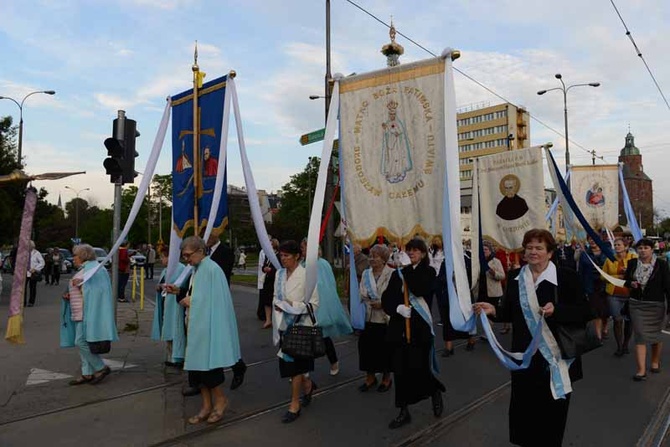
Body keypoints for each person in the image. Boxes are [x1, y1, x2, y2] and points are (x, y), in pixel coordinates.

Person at [475, 229, 592, 447]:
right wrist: (494, 310)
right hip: (526, 358)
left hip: (555, 359)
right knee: (524, 412)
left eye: (539, 248)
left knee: (552, 416)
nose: (533, 252)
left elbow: (586, 311)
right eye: (529, 247)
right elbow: (509, 313)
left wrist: (557, 311)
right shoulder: (515, 277)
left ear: (550, 253)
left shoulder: (566, 277)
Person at [165, 236, 241, 425]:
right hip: (196, 325)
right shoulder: (198, 269)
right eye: (184, 256)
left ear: (200, 251)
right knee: (197, 370)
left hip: (208, 328)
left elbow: (216, 300)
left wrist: (193, 301)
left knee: (208, 369)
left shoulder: (212, 269)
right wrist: (181, 293)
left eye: (188, 255)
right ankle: (206, 406)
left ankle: (220, 401)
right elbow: (197, 293)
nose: (186, 260)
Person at [383, 238, 445, 429]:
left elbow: (419, 289)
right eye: (409, 250)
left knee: (420, 369)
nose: (411, 253)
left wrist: (408, 269)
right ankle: (403, 411)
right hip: (399, 330)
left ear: (424, 254)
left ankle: (434, 391)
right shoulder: (398, 274)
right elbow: (386, 300)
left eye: (415, 251)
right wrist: (397, 308)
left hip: (419, 331)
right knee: (400, 372)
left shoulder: (429, 272)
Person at [272, 240, 319, 424]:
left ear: (297, 256)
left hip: (301, 327)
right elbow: (275, 296)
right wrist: (278, 305)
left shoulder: (308, 275)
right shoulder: (279, 274)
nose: (283, 259)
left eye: (286, 256)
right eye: (281, 255)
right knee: (290, 367)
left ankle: (294, 404)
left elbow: (314, 304)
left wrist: (293, 306)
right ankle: (307, 384)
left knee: (295, 368)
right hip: (283, 325)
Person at [60, 244, 118, 385]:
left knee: (80, 342)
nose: (73, 258)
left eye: (75, 255)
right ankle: (87, 373)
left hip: (86, 313)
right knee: (83, 343)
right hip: (80, 312)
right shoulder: (88, 268)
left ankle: (100, 367)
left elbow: (99, 291)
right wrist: (70, 294)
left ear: (83, 256)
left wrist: (82, 286)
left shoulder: (96, 269)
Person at [300, 239, 352, 376]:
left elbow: (325, 286)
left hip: (318, 306)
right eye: (302, 248)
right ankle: (304, 370)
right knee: (306, 337)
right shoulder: (304, 264)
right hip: (307, 306)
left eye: (304, 248)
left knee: (323, 337)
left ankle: (334, 361)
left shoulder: (321, 264)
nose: (302, 251)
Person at [623, 238, 670, 381]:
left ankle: (655, 362)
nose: (642, 251)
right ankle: (641, 370)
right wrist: (630, 283)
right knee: (640, 336)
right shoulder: (632, 263)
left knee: (656, 335)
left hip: (656, 305)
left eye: (646, 248)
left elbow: (668, 286)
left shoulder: (661, 265)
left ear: (652, 249)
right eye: (640, 248)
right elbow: (626, 280)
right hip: (637, 304)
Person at [206, 232, 247, 390]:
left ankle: (237, 365)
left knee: (222, 334)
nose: (206, 238)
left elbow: (222, 274)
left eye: (209, 234)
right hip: (205, 296)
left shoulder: (225, 251)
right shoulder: (204, 252)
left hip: (218, 297)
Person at [358, 244, 393, 393]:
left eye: (375, 256)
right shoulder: (366, 274)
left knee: (384, 349)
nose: (371, 259)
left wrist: (383, 303)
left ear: (384, 259)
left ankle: (386, 378)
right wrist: (370, 299)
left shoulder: (392, 273)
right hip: (368, 316)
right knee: (367, 348)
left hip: (385, 318)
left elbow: (394, 294)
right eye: (371, 256)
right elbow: (362, 292)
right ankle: (370, 377)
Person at [151, 247, 186, 367]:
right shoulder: (166, 270)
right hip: (167, 304)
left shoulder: (181, 268)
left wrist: (166, 287)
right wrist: (159, 287)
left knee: (176, 329)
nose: (161, 260)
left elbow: (181, 285)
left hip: (175, 305)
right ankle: (170, 356)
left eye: (162, 257)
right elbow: (162, 283)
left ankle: (179, 357)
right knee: (168, 330)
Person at [603, 237, 636, 356]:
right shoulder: (609, 260)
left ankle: (626, 344)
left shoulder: (633, 258)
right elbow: (603, 276)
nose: (616, 247)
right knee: (617, 320)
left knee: (629, 321)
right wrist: (618, 277)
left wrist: (629, 272)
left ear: (626, 247)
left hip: (630, 294)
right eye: (615, 245)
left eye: (619, 245)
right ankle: (619, 346)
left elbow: (640, 274)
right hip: (614, 294)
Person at [578, 243, 609, 340]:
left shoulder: (607, 252)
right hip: (591, 285)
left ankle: (605, 328)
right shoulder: (585, 254)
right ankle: (598, 336)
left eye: (593, 238)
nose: (592, 241)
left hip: (605, 284)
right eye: (589, 239)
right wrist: (581, 286)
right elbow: (581, 270)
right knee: (596, 310)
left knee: (605, 310)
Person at [259, 239, 279, 328]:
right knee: (266, 301)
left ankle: (276, 319)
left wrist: (271, 270)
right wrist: (264, 269)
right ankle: (268, 320)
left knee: (274, 300)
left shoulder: (278, 255)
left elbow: (280, 267)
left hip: (275, 280)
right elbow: (263, 266)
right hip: (267, 281)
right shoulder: (268, 256)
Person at [24, 241, 45, 307]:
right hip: (25, 273)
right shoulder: (24, 253)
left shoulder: (37, 253)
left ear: (32, 246)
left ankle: (31, 302)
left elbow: (42, 263)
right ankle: (23, 302)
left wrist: (35, 269)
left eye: (29, 246)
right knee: (23, 288)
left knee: (32, 288)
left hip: (33, 273)